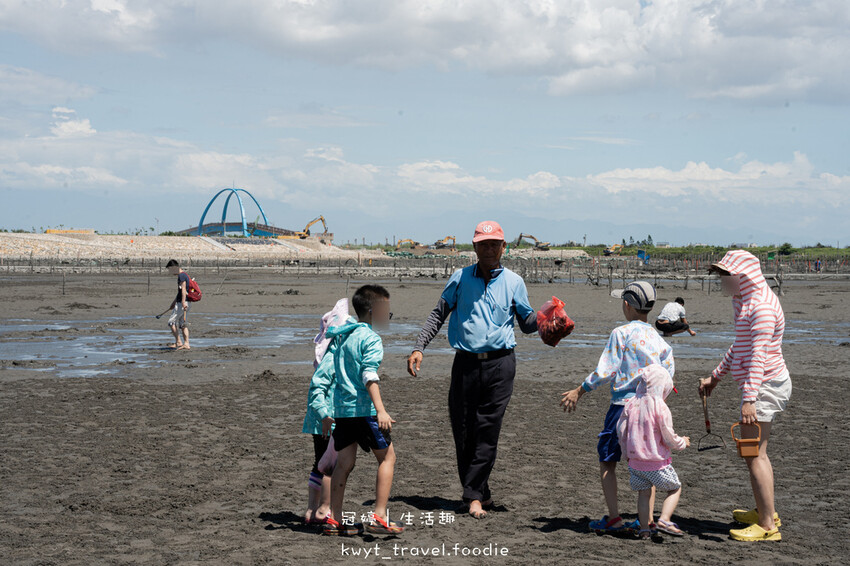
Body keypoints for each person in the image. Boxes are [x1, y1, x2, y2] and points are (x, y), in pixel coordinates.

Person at [407, 220, 538, 520]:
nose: (489, 249)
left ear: (504, 247)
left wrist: (547, 320)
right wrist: (419, 347)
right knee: (463, 431)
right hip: (465, 364)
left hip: (501, 364)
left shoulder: (515, 282)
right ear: (475, 247)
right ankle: (482, 492)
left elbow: (528, 325)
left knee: (487, 430)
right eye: (483, 244)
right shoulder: (461, 278)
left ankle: (473, 497)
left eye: (495, 244)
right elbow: (438, 314)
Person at [560, 281, 674, 534]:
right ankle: (647, 520)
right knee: (648, 464)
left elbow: (606, 370)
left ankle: (614, 517)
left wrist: (580, 390)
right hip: (649, 410)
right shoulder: (660, 340)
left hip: (622, 406)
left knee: (607, 460)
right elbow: (667, 376)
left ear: (626, 305)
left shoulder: (621, 333)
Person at [700, 250, 791, 542]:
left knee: (754, 454)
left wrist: (750, 399)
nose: (723, 282)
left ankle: (767, 526)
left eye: (726, 276)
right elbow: (740, 346)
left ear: (744, 276)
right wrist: (715, 376)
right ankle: (766, 511)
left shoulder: (761, 307)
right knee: (752, 453)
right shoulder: (744, 302)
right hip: (760, 384)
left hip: (765, 385)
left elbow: (758, 358)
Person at [308, 285, 404, 536]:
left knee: (344, 463)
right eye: (387, 311)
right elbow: (369, 375)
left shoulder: (341, 337)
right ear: (374, 311)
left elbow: (324, 376)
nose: (388, 316)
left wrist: (323, 412)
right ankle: (380, 516)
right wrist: (380, 410)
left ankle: (335, 519)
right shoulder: (371, 338)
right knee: (387, 458)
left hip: (342, 412)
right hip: (365, 411)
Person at [617, 364, 689, 539]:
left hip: (635, 463)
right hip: (656, 463)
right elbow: (668, 435)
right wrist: (682, 443)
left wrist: (626, 452)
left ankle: (644, 530)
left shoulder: (631, 403)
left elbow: (621, 430)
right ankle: (664, 519)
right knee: (674, 488)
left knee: (644, 494)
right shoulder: (660, 406)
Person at [300, 297, 349, 526]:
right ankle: (323, 508)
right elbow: (325, 386)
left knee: (319, 461)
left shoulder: (322, 350)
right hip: (327, 417)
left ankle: (311, 509)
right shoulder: (333, 353)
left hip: (317, 416)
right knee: (329, 464)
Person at [165, 259, 191, 350]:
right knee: (183, 324)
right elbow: (180, 292)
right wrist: (174, 302)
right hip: (185, 302)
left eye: (170, 269)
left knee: (171, 322)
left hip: (182, 303)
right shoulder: (185, 275)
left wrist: (183, 302)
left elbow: (183, 289)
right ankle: (186, 344)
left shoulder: (181, 276)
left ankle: (179, 342)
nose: (170, 272)